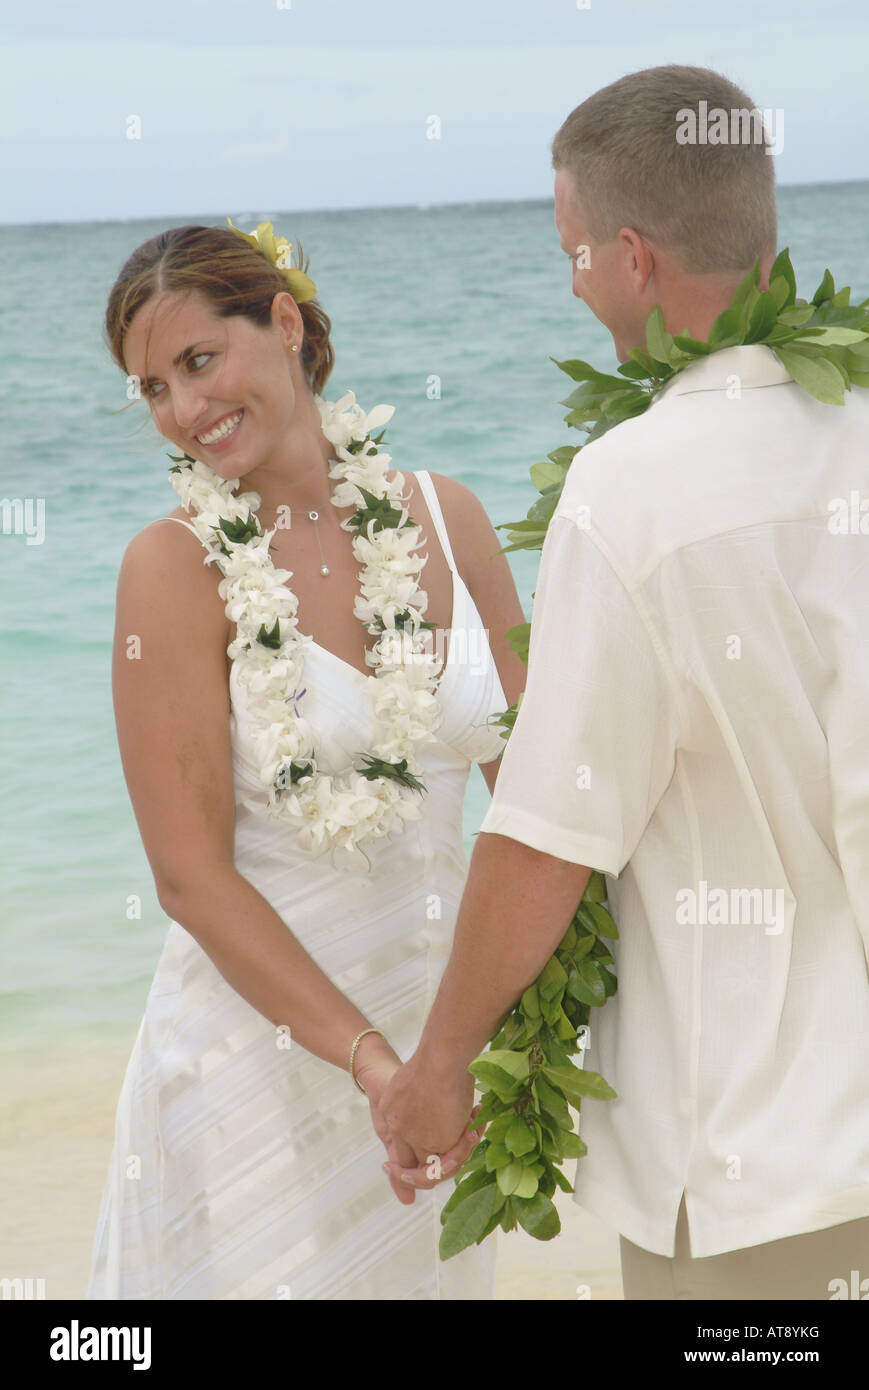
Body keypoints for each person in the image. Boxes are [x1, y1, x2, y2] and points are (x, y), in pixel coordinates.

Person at [381, 64, 869, 1300]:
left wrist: (438, 1069)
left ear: (636, 260)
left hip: (759, 1164)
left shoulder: (629, 488)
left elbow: (550, 833)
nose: (576, 278)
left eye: (576, 251)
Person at [86, 218, 527, 1299]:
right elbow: (190, 876)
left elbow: (538, 802)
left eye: (198, 361)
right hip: (259, 1073)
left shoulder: (446, 518)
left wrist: (500, 1033)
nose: (183, 411)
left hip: (441, 1056)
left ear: (283, 322)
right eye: (151, 388)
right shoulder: (170, 569)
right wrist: (374, 1065)